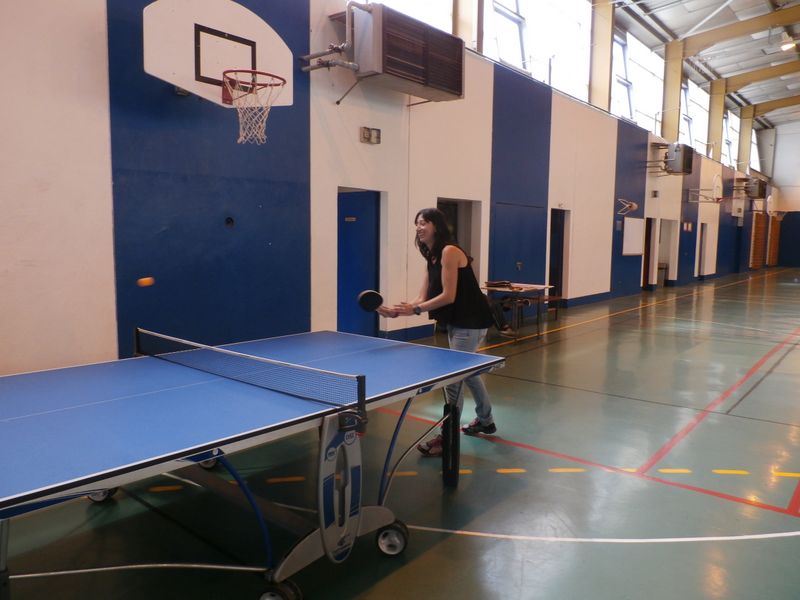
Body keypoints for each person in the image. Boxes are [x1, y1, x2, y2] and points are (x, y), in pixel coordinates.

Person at [377, 207, 496, 457]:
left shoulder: (450, 251)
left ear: (437, 226)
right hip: (457, 321)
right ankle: (486, 420)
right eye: (417, 223)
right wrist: (398, 311)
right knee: (469, 373)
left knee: (453, 380)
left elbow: (448, 296)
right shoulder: (431, 255)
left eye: (424, 223)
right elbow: (423, 296)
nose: (419, 228)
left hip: (470, 321)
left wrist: (414, 309)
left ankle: (447, 438)